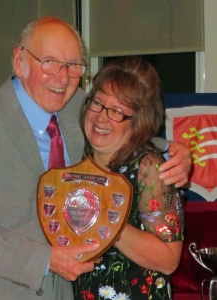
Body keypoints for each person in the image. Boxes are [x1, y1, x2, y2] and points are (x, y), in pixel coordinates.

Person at [0, 17, 190, 300]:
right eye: (49, 62)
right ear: (19, 61)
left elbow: (121, 123)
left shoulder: (75, 106)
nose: (63, 77)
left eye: (73, 65)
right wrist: (44, 259)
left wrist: (172, 150)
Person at [73, 56, 184, 300]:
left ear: (137, 121)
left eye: (117, 112)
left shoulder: (148, 167)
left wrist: (106, 221)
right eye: (98, 104)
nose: (101, 117)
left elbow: (169, 259)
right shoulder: (76, 154)